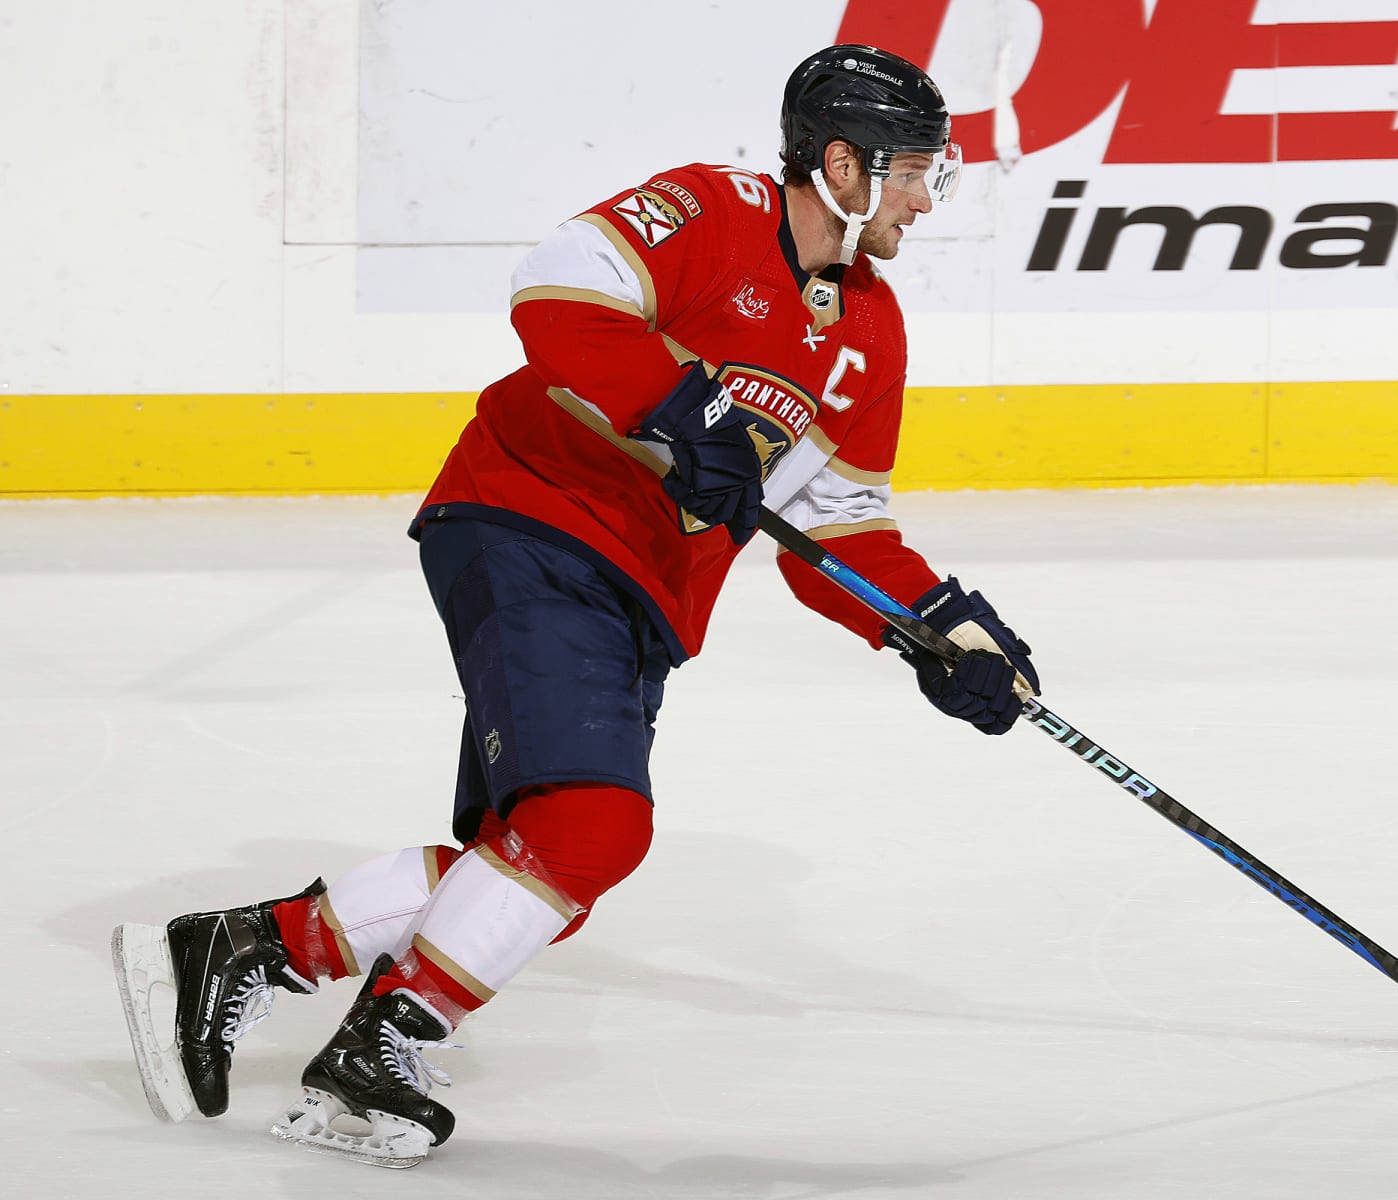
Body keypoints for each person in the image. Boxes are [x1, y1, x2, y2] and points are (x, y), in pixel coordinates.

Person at [111, 43, 1039, 1169]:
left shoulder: (871, 332)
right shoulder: (713, 209)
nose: (924, 199)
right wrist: (680, 408)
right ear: (842, 165)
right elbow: (557, 290)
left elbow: (837, 526)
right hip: (533, 520)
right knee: (594, 823)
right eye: (914, 172)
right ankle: (381, 1046)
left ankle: (245, 950)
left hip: (643, 589)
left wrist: (939, 629)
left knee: (543, 862)